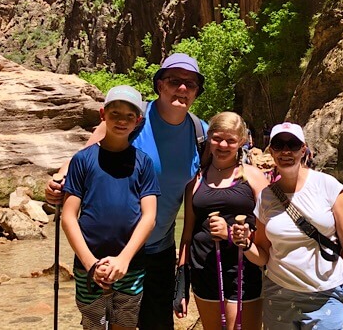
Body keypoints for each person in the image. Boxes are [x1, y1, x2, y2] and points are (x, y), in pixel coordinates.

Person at [47, 53, 207, 329]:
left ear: (196, 92)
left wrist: (186, 247)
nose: (182, 88)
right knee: (102, 322)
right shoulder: (133, 116)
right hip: (111, 248)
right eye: (174, 81)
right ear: (160, 85)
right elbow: (87, 154)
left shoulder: (199, 132)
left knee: (156, 323)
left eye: (190, 84)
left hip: (158, 248)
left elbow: (200, 187)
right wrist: (59, 180)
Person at [232, 122, 343, 330]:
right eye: (279, 144)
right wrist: (244, 243)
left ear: (303, 149)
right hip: (279, 294)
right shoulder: (266, 197)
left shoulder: (328, 186)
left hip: (327, 294)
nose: (286, 151)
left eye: (293, 145)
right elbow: (263, 255)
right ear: (271, 150)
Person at [62, 85, 160, 329]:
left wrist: (123, 260)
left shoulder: (143, 162)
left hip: (131, 265)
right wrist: (91, 264)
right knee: (93, 323)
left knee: (125, 323)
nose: (121, 120)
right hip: (88, 264)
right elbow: (68, 216)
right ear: (102, 114)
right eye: (115, 113)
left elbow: (149, 217)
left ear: (138, 121)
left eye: (129, 116)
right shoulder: (83, 160)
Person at [176, 112, 268, 329]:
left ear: (242, 142)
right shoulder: (197, 180)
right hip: (204, 270)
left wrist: (231, 234)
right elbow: (187, 234)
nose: (223, 145)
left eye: (230, 140)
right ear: (209, 137)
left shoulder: (254, 177)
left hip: (244, 270)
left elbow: (268, 233)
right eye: (217, 138)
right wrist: (182, 280)